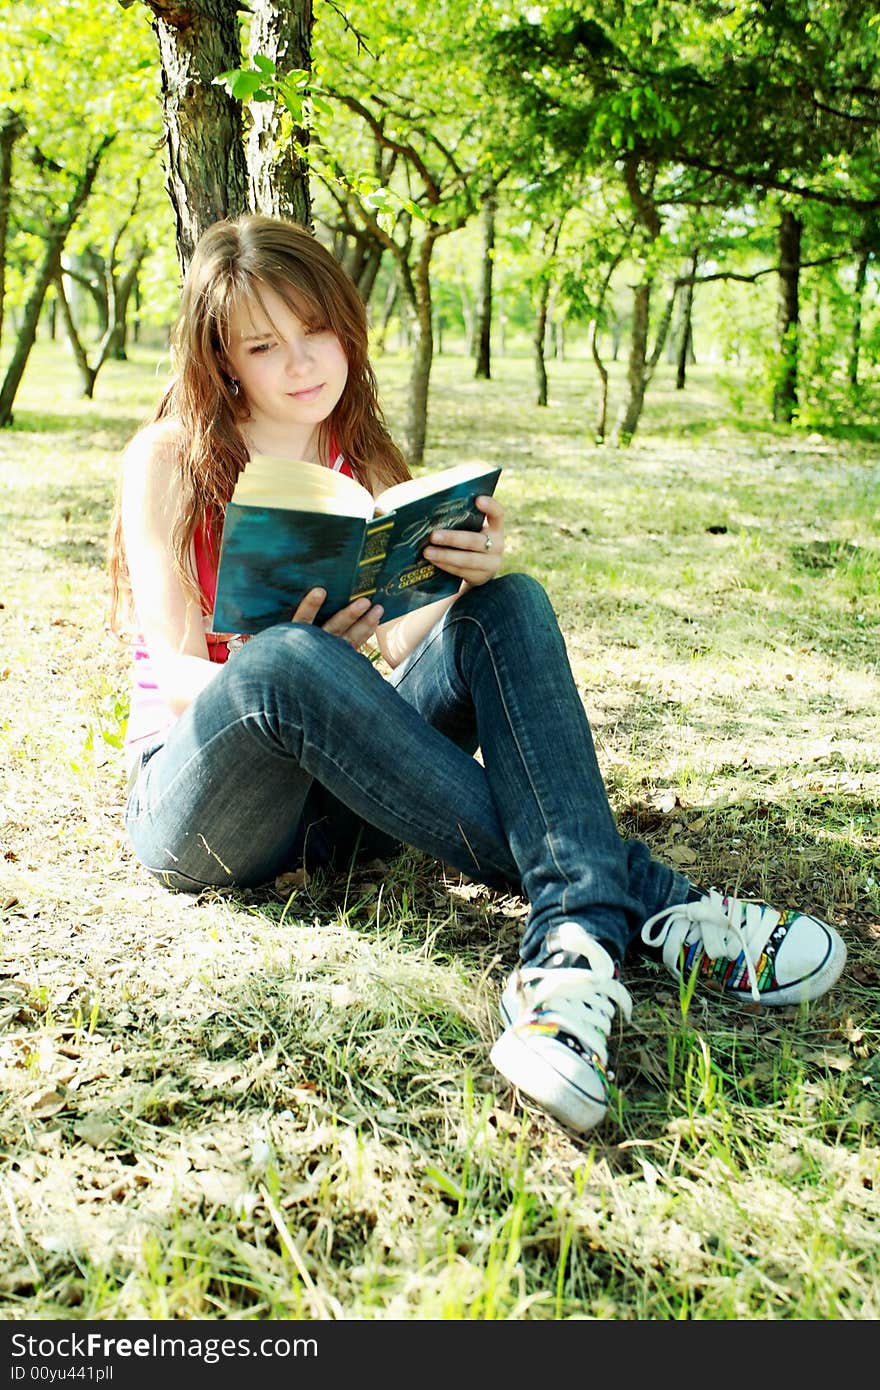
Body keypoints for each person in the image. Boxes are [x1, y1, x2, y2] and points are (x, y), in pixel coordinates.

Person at [107, 214, 847, 1137]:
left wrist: (463, 576)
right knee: (285, 664)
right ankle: (649, 899)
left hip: (342, 798)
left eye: (317, 331)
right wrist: (286, 660)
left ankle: (573, 945)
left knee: (510, 606)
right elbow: (170, 669)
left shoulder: (359, 454)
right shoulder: (171, 458)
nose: (303, 364)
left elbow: (415, 659)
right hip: (203, 805)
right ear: (224, 359)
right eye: (266, 345)